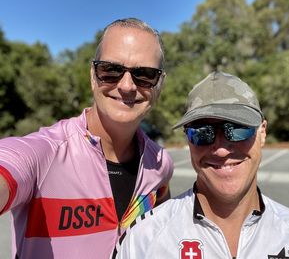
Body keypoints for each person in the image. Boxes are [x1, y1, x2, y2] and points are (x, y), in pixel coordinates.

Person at [112, 71, 289, 259]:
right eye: (202, 132)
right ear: (187, 139)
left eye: (237, 129)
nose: (221, 149)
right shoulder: (143, 239)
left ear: (262, 132)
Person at [0, 18, 173, 259]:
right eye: (111, 70)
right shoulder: (44, 153)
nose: (127, 86)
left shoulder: (161, 163)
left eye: (144, 74)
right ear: (93, 75)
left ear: (159, 84)